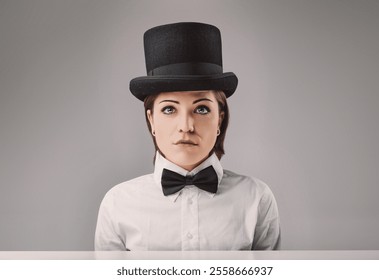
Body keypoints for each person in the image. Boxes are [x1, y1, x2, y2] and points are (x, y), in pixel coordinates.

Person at [95, 22, 281, 250]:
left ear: (220, 119)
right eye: (169, 109)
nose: (186, 126)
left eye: (201, 109)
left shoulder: (257, 199)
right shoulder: (117, 204)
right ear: (152, 119)